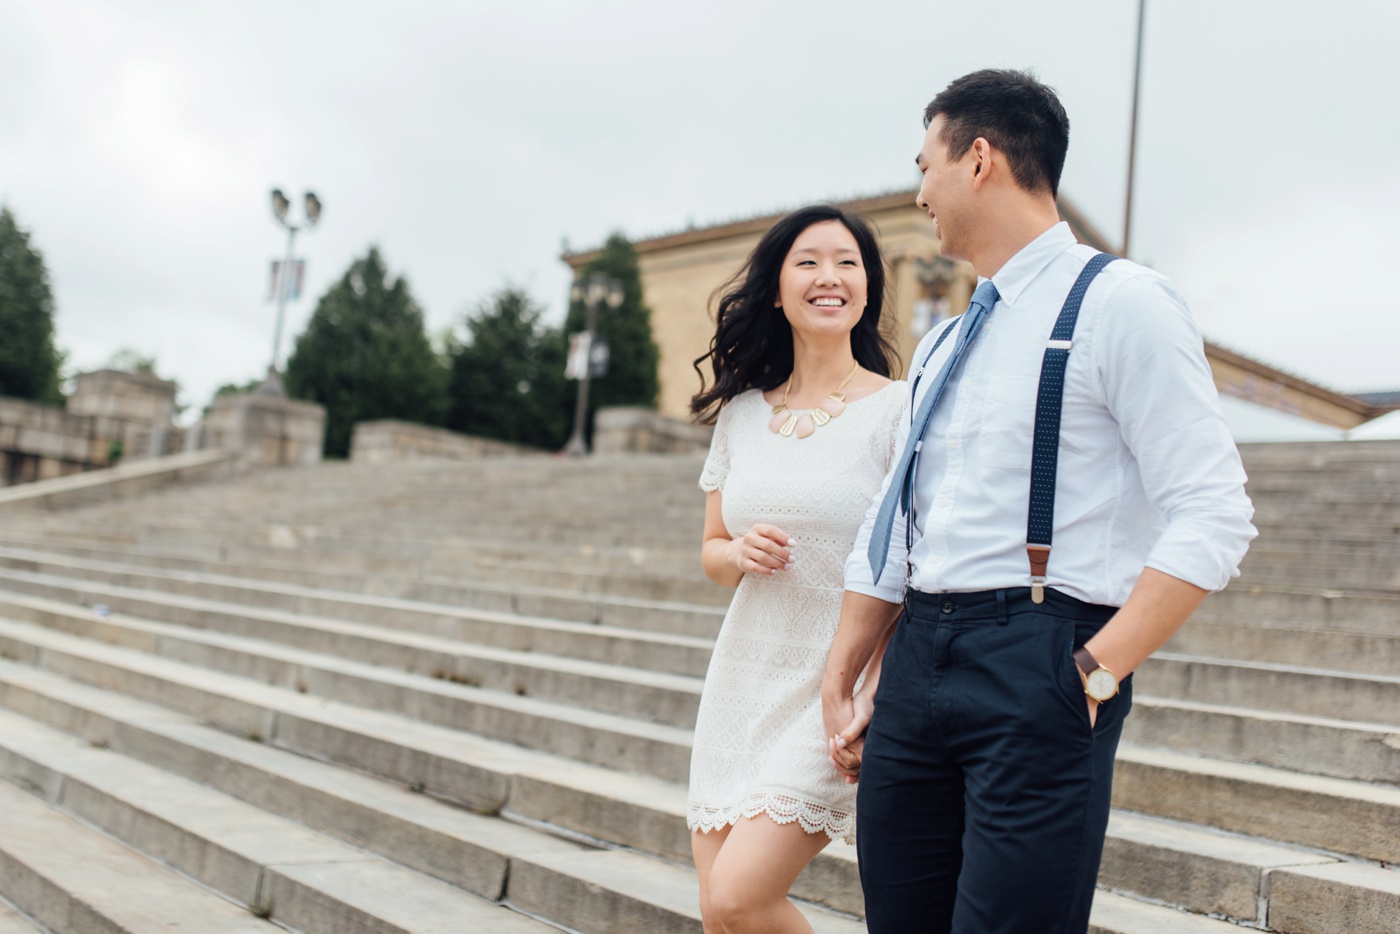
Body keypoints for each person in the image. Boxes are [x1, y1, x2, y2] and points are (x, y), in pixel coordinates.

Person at [820, 69, 1257, 934]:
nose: (918, 194)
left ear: (978, 159)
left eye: (926, 166)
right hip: (918, 667)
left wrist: (1096, 669)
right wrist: (847, 675)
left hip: (1042, 656)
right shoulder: (944, 340)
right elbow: (896, 520)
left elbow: (1214, 510)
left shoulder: (1123, 302)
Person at [688, 203, 908, 934]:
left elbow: (912, 564)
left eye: (848, 263)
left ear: (868, 289)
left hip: (831, 688)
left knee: (738, 898)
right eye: (809, 261)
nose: (830, 277)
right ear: (777, 289)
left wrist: (871, 687)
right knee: (719, 913)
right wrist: (738, 552)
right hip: (742, 680)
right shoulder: (742, 414)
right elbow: (713, 551)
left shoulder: (899, 412)